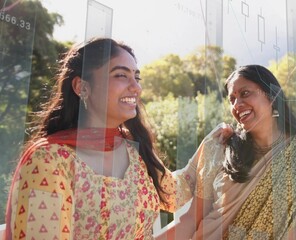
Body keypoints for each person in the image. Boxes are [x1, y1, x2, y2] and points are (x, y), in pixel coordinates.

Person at [3, 38, 205, 239]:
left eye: (137, 77)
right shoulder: (50, 160)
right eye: (121, 75)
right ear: (81, 87)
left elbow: (174, 194)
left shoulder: (133, 149)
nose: (136, 87)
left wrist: (210, 146)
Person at [155, 65, 296, 239]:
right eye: (232, 99)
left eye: (244, 93)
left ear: (272, 96)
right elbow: (192, 219)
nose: (237, 104)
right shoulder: (221, 147)